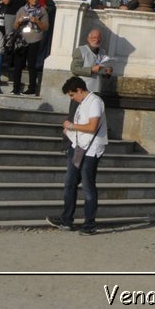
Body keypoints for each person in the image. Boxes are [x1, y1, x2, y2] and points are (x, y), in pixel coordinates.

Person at [48, 75, 107, 232]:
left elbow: (92, 126)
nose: (72, 98)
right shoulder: (82, 103)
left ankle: (90, 223)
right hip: (79, 146)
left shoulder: (95, 101)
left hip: (91, 149)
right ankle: (66, 219)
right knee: (70, 182)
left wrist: (72, 126)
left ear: (80, 90)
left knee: (88, 185)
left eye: (72, 95)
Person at [7, 0, 49, 95]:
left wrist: (37, 21)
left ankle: (32, 88)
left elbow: (45, 27)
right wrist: (19, 21)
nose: (34, 0)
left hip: (35, 39)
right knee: (18, 65)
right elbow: (15, 26)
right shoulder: (22, 10)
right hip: (22, 40)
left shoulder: (42, 10)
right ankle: (16, 88)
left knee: (31, 65)